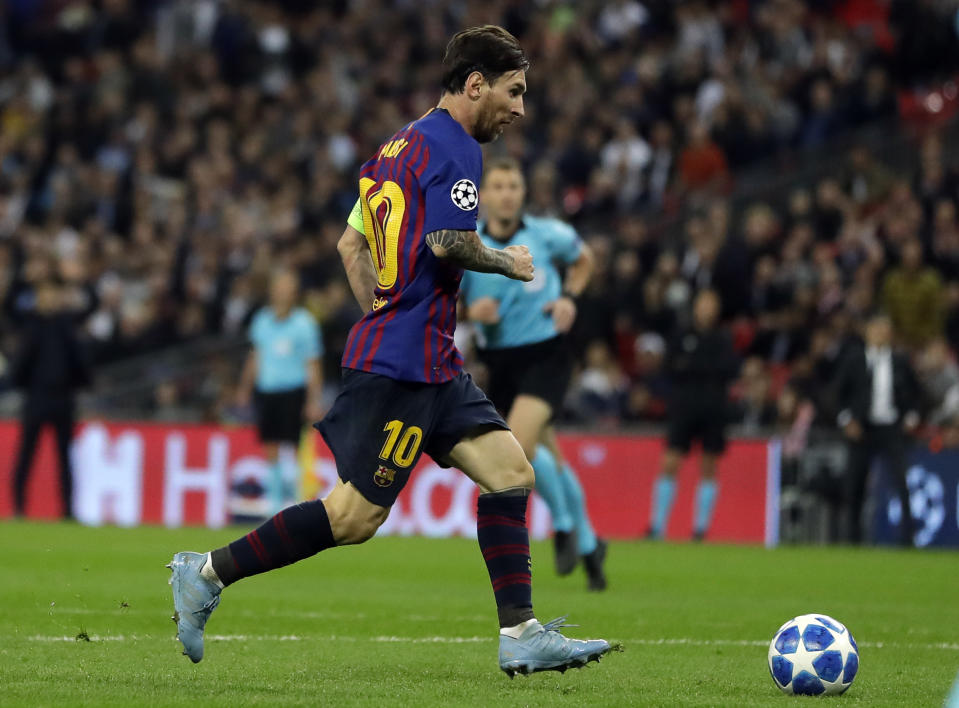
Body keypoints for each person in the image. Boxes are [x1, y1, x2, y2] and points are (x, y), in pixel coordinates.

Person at [168, 25, 613, 675]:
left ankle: (519, 632)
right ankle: (205, 572)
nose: (519, 108)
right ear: (474, 85)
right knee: (352, 517)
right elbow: (446, 243)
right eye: (513, 92)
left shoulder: (397, 146)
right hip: (404, 364)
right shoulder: (456, 146)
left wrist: (382, 310)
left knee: (511, 472)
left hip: (426, 357)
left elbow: (350, 247)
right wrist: (506, 263)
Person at [460, 157, 607, 590]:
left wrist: (570, 299)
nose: (507, 194)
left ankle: (562, 526)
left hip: (546, 357)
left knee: (518, 448)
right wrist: (469, 312)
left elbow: (585, 260)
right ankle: (591, 546)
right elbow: (449, 305)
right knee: (551, 458)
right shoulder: (469, 249)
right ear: (483, 196)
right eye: (499, 186)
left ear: (523, 194)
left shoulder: (547, 236)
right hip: (500, 365)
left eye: (514, 186)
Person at [647, 289, 738, 541]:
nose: (707, 309)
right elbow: (670, 368)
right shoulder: (682, 334)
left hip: (713, 409)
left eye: (712, 304)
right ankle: (657, 527)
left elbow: (730, 369)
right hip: (684, 407)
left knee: (709, 465)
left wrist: (693, 367)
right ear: (696, 306)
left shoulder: (723, 338)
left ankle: (700, 529)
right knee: (670, 462)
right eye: (703, 303)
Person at [235, 269, 324, 515]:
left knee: (297, 448)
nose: (283, 291)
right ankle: (273, 507)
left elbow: (313, 363)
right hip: (267, 392)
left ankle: (297, 505)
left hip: (294, 392)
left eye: (287, 286)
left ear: (294, 292)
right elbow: (255, 357)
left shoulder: (304, 324)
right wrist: (244, 388)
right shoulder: (262, 321)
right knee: (270, 447)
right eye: (279, 286)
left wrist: (313, 399)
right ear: (272, 290)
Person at [7, 271, 94, 520]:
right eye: (44, 294)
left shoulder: (67, 323)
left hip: (63, 398)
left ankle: (67, 510)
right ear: (37, 298)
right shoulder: (30, 321)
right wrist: (22, 274)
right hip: (36, 397)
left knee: (65, 458)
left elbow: (93, 304)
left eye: (53, 294)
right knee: (26, 455)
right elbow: (8, 304)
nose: (49, 299)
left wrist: (79, 279)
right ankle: (19, 508)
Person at [834, 312, 920, 545]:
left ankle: (908, 539)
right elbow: (837, 394)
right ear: (867, 332)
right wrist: (846, 420)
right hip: (862, 429)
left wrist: (911, 416)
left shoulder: (900, 360)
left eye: (885, 329)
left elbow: (916, 394)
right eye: (877, 329)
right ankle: (851, 539)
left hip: (891, 429)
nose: (882, 334)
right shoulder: (854, 359)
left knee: (902, 482)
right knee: (855, 485)